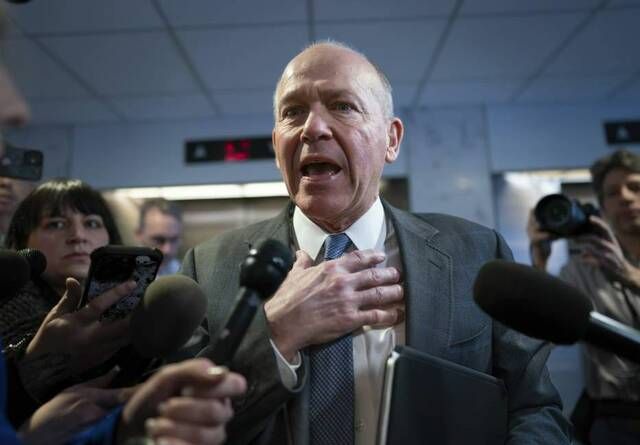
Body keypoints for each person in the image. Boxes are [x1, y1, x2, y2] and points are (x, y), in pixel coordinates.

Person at [182, 40, 572, 444]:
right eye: (293, 112)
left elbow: (534, 408)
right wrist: (276, 333)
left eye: (342, 106)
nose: (312, 128)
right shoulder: (207, 269)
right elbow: (181, 427)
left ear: (391, 139)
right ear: (277, 145)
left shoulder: (475, 253)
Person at [527, 149, 640, 444]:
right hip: (616, 422)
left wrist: (629, 274)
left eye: (635, 187)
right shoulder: (582, 269)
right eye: (613, 193)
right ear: (602, 206)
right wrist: (539, 262)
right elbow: (541, 337)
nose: (626, 197)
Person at [136, 198, 183, 276]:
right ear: (139, 235)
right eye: (158, 240)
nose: (167, 250)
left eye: (174, 240)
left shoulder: (186, 274)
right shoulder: (122, 277)